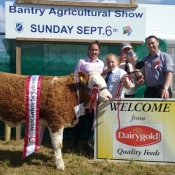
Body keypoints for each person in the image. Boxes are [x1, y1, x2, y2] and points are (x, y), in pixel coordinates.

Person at [73, 40, 104, 149]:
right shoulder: (82, 62)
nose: (94, 52)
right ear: (88, 50)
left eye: (96, 50)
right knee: (81, 120)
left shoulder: (101, 64)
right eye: (92, 49)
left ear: (99, 51)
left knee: (92, 120)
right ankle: (75, 142)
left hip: (95, 98)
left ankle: (88, 142)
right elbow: (75, 76)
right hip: (83, 97)